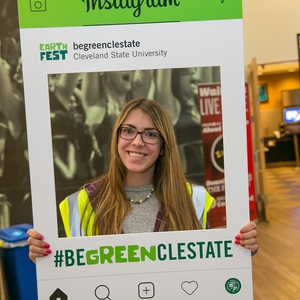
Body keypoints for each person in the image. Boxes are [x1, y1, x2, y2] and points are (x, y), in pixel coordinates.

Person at [27, 97, 258, 262]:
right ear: (117, 138)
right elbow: (70, 272)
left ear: (163, 146)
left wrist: (242, 248)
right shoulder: (82, 202)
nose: (137, 142)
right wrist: (43, 257)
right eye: (128, 131)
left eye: (150, 134)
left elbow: (209, 265)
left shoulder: (192, 198)